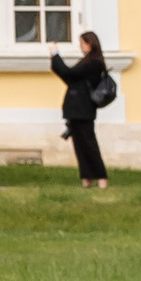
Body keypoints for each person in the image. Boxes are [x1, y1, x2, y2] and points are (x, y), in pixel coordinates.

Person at [52, 28, 118, 194]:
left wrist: (56, 54)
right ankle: (87, 178)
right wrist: (55, 60)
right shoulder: (87, 61)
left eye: (83, 43)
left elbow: (69, 72)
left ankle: (101, 177)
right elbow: (69, 77)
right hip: (76, 108)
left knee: (89, 144)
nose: (81, 46)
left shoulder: (94, 63)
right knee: (80, 146)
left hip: (84, 108)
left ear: (90, 44)